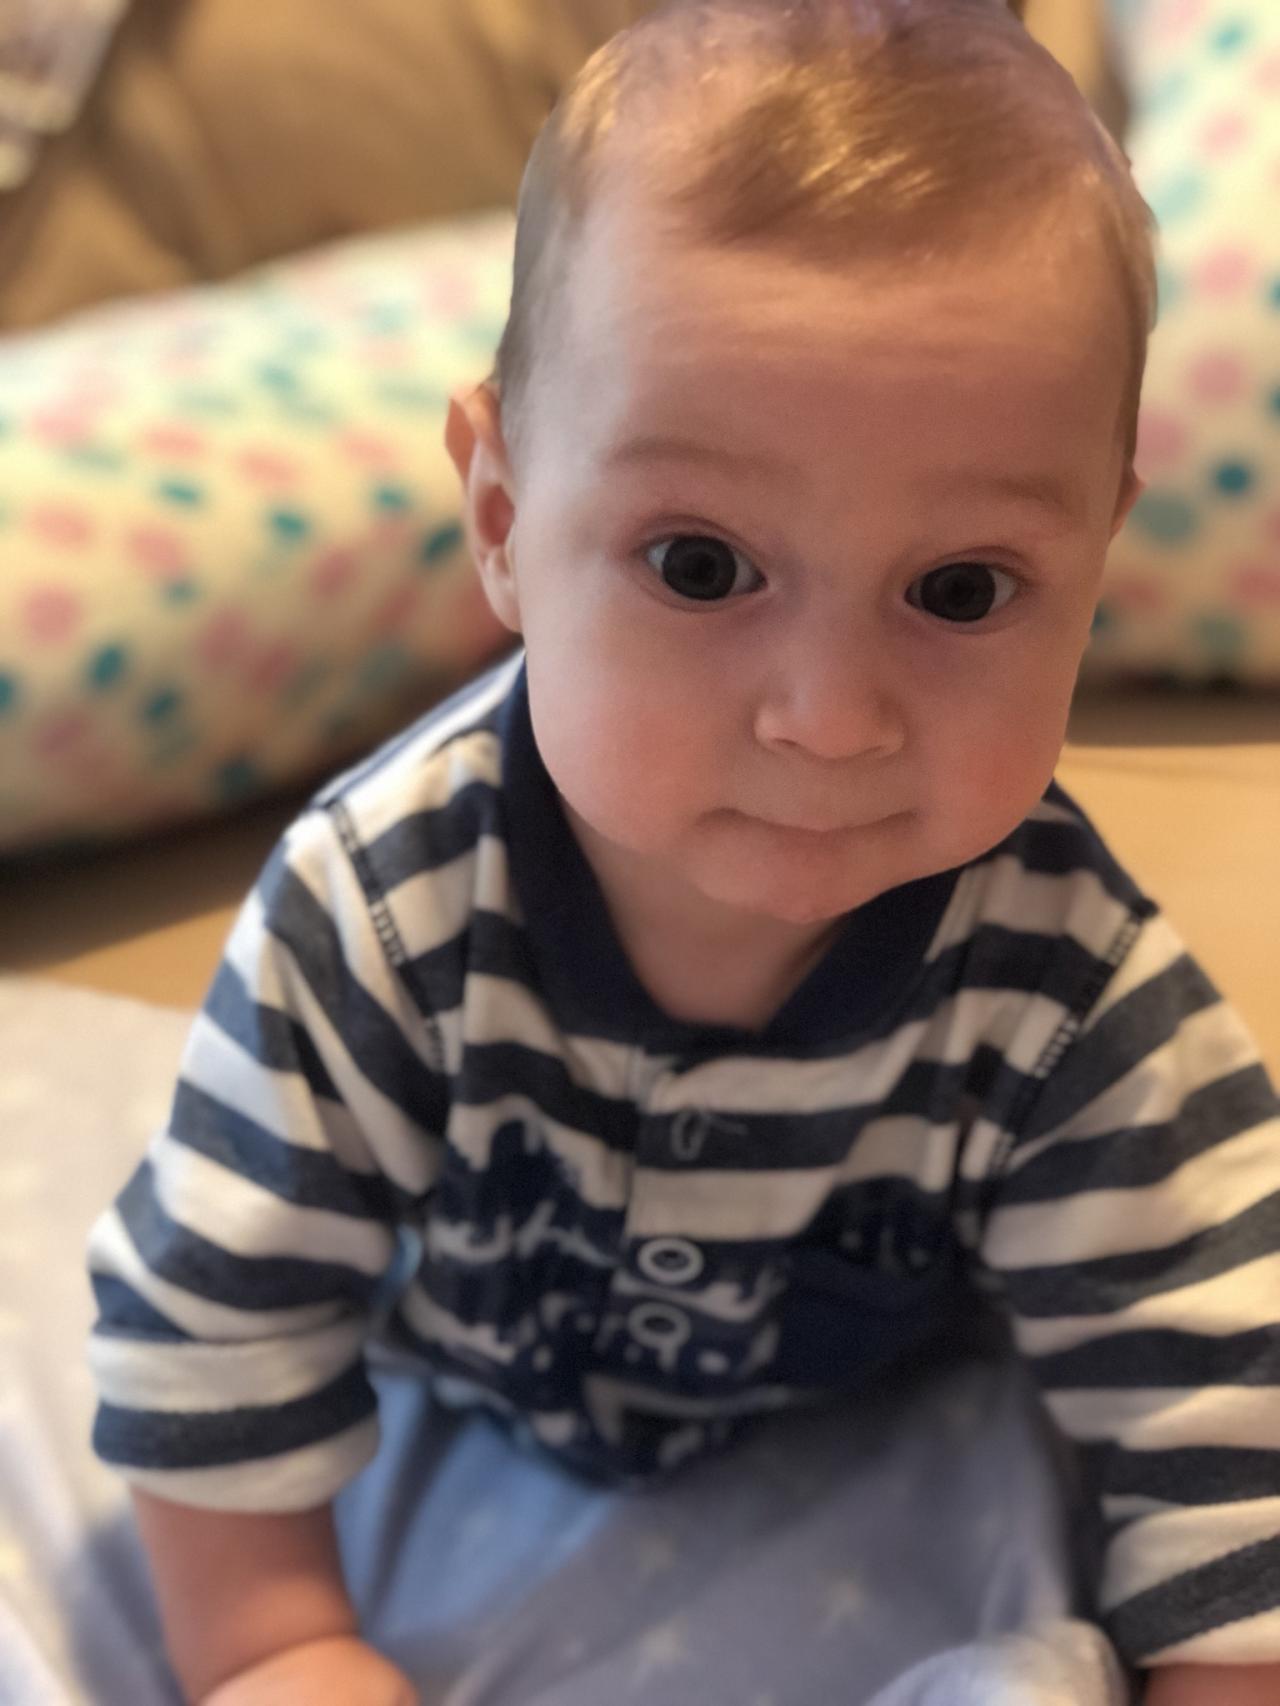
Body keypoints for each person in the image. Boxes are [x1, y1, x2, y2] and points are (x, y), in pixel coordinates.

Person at [85, 1, 1280, 1701]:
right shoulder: (377, 916)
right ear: (505, 521)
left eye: (960, 590)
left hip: (873, 1429)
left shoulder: (1065, 987)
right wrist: (274, 1644)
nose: (830, 718)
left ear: (1094, 566)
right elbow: (210, 1313)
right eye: (702, 567)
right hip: (460, 1401)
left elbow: (1230, 1385)